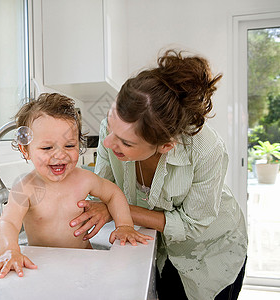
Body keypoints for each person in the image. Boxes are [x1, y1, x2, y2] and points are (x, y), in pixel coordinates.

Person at [69, 50, 248, 300]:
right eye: (110, 126)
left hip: (210, 252)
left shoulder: (206, 149)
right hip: (159, 249)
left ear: (166, 146)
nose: (108, 143)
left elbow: (193, 224)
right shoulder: (115, 131)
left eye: (126, 143)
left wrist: (116, 208)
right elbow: (104, 188)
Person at [0, 93, 153, 279]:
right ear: (26, 150)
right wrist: (9, 250)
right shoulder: (26, 186)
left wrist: (125, 225)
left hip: (84, 260)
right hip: (43, 265)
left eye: (69, 146)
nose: (60, 155)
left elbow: (113, 194)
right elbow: (9, 222)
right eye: (47, 148)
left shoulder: (84, 179)